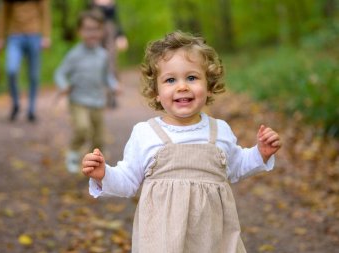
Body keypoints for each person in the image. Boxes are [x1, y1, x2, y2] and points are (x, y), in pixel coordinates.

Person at [82, 31, 282, 252]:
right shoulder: (146, 134)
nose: (182, 86)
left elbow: (235, 167)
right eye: (170, 80)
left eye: (192, 78)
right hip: (162, 238)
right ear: (156, 92)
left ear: (208, 85)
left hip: (213, 237)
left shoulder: (220, 131)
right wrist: (104, 174)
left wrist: (260, 153)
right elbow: (128, 180)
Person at [55, 9, 118, 173]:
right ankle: (73, 153)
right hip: (78, 100)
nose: (92, 33)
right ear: (80, 31)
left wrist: (113, 85)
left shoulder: (103, 55)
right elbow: (60, 73)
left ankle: (91, 164)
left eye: (96, 29)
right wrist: (63, 86)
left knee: (99, 139)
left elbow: (106, 77)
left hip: (97, 101)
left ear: (102, 31)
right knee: (83, 128)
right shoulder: (74, 54)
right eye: (87, 29)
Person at [0, 0, 51, 122]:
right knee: (11, 70)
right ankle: (16, 104)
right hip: (14, 36)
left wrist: (46, 36)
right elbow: (3, 16)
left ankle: (31, 109)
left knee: (33, 75)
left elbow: (45, 14)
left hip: (34, 35)